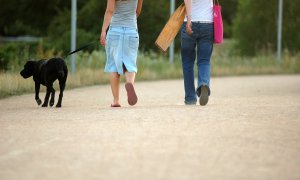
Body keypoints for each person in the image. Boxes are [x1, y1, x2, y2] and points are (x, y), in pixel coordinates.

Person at [100, 0, 143, 107]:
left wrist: (103, 31)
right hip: (131, 31)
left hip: (115, 31)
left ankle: (116, 100)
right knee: (130, 63)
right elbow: (137, 11)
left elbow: (109, 11)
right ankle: (129, 83)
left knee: (113, 65)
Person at [181, 0, 214, 106]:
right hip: (208, 24)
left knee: (187, 62)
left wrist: (189, 19)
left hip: (189, 23)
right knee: (204, 60)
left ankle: (190, 98)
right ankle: (203, 83)